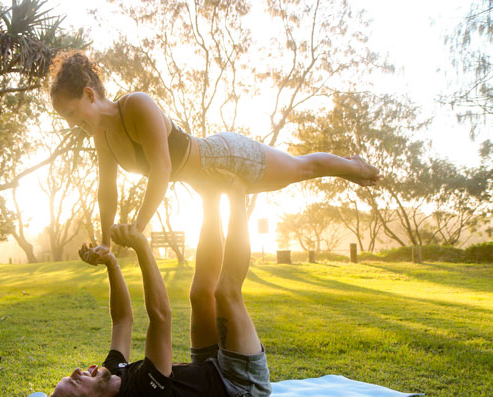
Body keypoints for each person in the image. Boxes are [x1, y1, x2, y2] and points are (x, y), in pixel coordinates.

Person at [48, 50, 380, 257]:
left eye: (73, 114)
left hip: (227, 157)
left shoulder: (137, 105)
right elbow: (107, 190)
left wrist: (138, 225)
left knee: (299, 170)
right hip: (206, 184)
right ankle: (352, 167)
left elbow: (162, 168)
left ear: (90, 95)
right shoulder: (102, 136)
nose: (73, 123)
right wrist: (106, 241)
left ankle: (355, 167)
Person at [49, 180, 271, 397]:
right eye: (76, 381)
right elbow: (161, 316)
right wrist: (141, 246)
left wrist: (111, 263)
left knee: (200, 293)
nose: (78, 371)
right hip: (239, 389)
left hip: (208, 369)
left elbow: (122, 321)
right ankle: (239, 187)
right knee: (225, 293)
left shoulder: (112, 373)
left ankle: (210, 196)